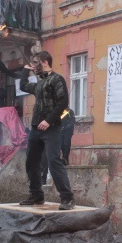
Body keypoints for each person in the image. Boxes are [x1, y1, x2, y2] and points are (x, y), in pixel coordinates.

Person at [19, 51, 75, 210]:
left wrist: (49, 120)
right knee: (31, 161)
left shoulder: (56, 79)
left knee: (53, 161)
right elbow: (23, 85)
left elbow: (63, 101)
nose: (33, 66)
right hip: (36, 129)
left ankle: (67, 198)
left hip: (51, 128)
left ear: (44, 62)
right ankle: (36, 194)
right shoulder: (39, 84)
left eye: (35, 62)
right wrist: (25, 70)